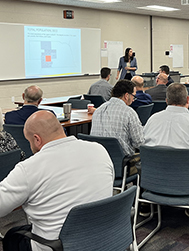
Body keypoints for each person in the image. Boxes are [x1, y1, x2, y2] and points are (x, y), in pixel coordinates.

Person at [0, 110, 114, 251]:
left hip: (58, 246)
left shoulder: (29, 168)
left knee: (13, 236)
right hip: (105, 237)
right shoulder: (99, 150)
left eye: (29, 142)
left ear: (37, 139)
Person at [144, 83, 189, 172]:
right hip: (187, 182)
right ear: (187, 100)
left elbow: (143, 145)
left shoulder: (152, 120)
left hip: (153, 179)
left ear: (166, 101)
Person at [91, 79, 144, 162]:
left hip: (99, 160)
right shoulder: (129, 112)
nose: (134, 99)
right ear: (127, 96)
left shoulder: (98, 110)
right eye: (133, 96)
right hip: (122, 162)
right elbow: (139, 143)